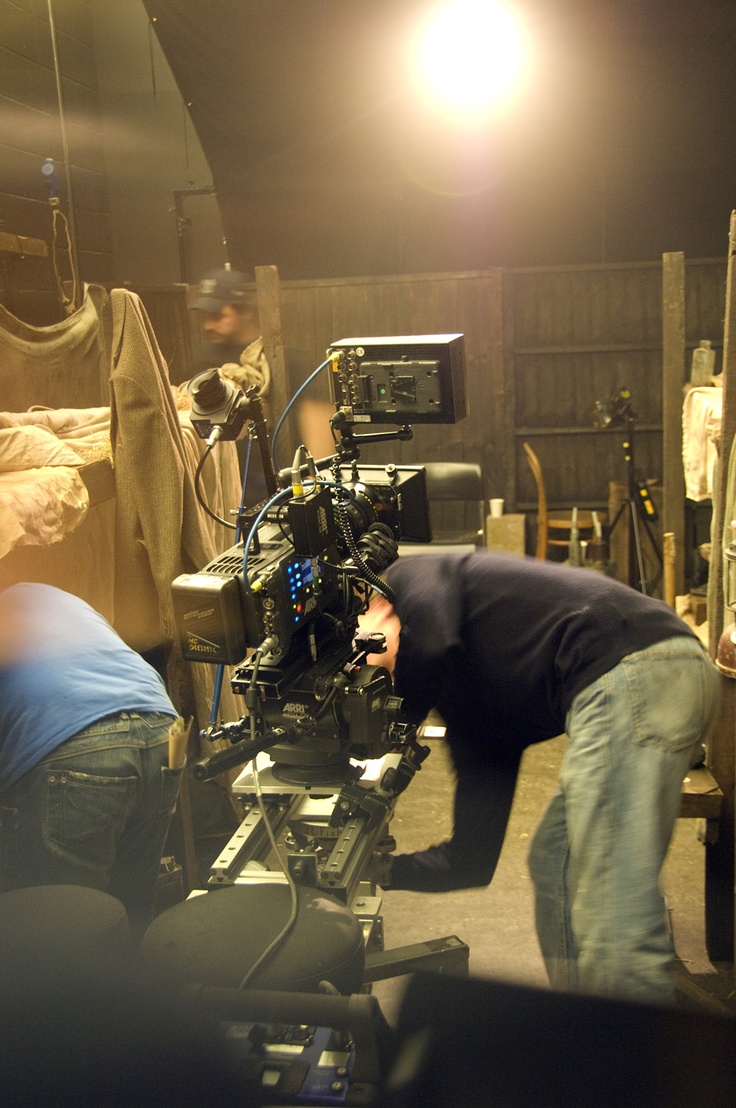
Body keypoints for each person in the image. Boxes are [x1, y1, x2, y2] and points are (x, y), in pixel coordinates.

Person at [360, 551, 720, 1005]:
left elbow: (428, 642)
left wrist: (394, 729)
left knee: (611, 910)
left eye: (366, 659)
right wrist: (384, 872)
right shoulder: (475, 716)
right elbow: (471, 859)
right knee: (555, 863)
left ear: (378, 607)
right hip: (647, 680)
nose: (369, 674)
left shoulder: (410, 579)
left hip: (640, 666)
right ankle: (583, 1026)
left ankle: (634, 1065)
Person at [0, 582, 186, 939]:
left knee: (61, 932)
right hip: (161, 727)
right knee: (130, 914)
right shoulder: (46, 593)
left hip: (78, 743)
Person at [190, 267, 334, 502]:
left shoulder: (286, 360)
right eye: (205, 317)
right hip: (227, 494)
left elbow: (320, 425)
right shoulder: (204, 366)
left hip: (283, 491)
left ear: (244, 311)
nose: (208, 325)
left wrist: (316, 489)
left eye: (217, 316)